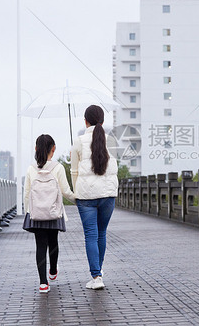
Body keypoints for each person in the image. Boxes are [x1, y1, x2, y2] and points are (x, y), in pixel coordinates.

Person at [70, 105, 118, 290]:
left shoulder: (79, 141)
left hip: (86, 196)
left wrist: (76, 192)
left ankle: (96, 276)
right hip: (108, 194)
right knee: (101, 233)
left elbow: (74, 171)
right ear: (102, 121)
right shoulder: (111, 141)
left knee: (91, 234)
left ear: (85, 121)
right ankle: (99, 271)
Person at [23, 134, 75, 294]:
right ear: (53, 149)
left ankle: (43, 284)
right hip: (54, 212)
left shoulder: (31, 169)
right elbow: (66, 191)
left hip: (37, 213)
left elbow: (26, 193)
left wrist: (28, 212)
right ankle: (53, 271)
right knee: (53, 242)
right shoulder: (58, 168)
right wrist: (79, 200)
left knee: (40, 245)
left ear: (36, 149)